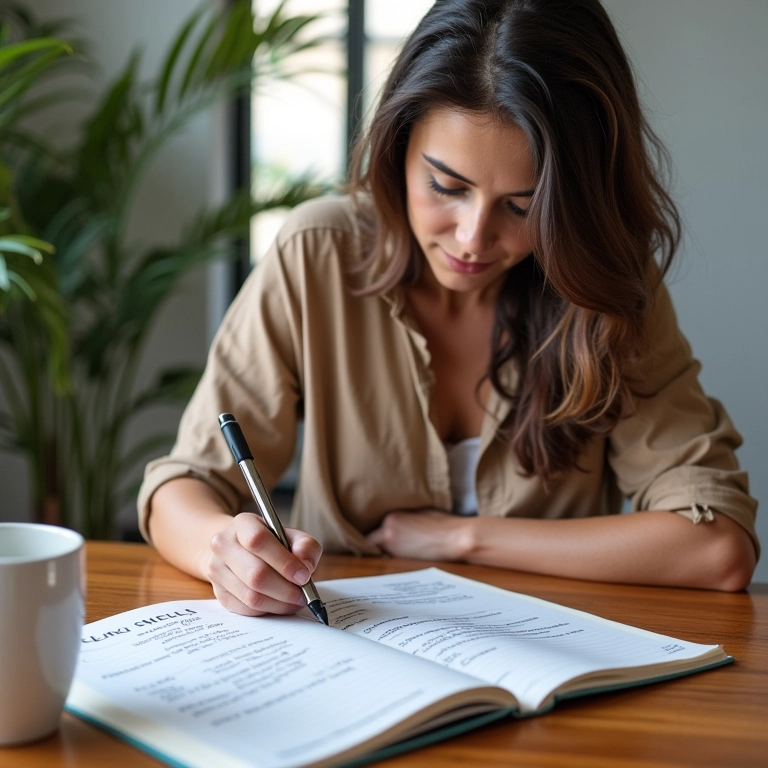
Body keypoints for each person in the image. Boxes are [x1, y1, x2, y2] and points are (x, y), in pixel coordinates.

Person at [139, 0, 759, 617]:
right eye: (446, 187)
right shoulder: (318, 252)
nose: (472, 237)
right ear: (398, 147)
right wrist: (224, 549)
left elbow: (716, 547)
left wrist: (461, 538)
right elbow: (184, 487)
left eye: (523, 207)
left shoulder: (605, 286)